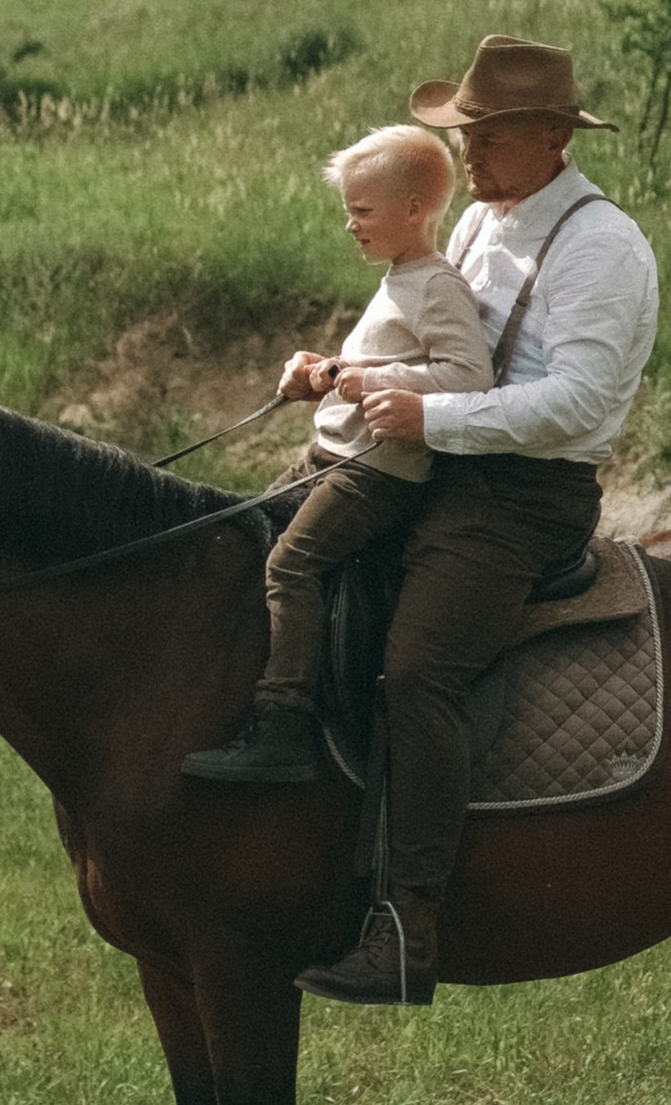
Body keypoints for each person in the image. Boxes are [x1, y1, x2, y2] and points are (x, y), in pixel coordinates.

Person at [254, 33, 661, 1009]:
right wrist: (349, 374)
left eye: (487, 136)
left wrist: (429, 415)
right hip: (432, 466)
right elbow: (439, 346)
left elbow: (576, 403)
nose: (467, 156)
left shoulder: (605, 247)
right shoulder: (482, 221)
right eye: (464, 134)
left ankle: (406, 926)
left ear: (554, 135)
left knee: (419, 669)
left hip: (523, 499)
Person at [181, 123, 490, 785]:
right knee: (243, 532)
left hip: (381, 472)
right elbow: (397, 358)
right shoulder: (400, 275)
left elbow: (470, 377)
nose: (349, 225)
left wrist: (375, 380)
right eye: (348, 210)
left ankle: (285, 723)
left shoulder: (437, 286)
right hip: (335, 454)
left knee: (292, 566)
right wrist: (323, 369)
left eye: (361, 211)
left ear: (414, 210)